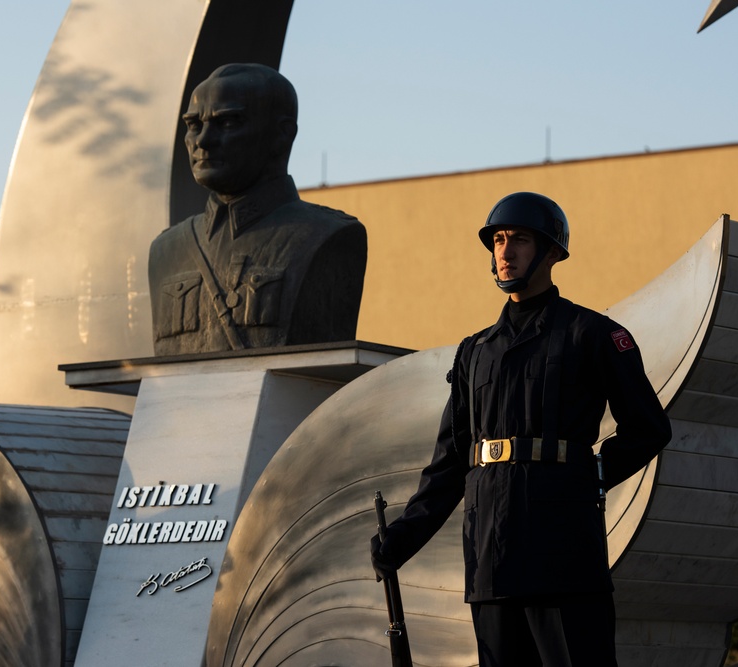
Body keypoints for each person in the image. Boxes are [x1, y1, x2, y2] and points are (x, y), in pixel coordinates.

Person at [370, 192, 671, 666]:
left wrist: (586, 478)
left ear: (552, 252)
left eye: (520, 241)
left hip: (565, 557)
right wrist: (404, 536)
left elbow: (649, 428)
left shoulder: (592, 334)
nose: (505, 253)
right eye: (498, 241)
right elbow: (451, 462)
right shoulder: (475, 352)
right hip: (491, 558)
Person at [148, 63, 366, 355]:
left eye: (227, 123)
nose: (203, 141)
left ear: (281, 134)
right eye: (193, 125)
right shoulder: (167, 249)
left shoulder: (328, 235)